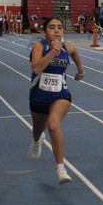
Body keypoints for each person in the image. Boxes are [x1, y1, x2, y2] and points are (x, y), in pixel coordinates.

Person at [28, 18, 84, 184]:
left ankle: (61, 169)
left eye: (60, 27)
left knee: (53, 125)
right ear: (44, 31)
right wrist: (53, 51)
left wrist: (80, 71)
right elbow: (36, 68)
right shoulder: (39, 46)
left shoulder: (68, 48)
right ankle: (37, 140)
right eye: (52, 27)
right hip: (39, 96)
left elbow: (75, 53)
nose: (57, 30)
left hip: (60, 95)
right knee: (38, 130)